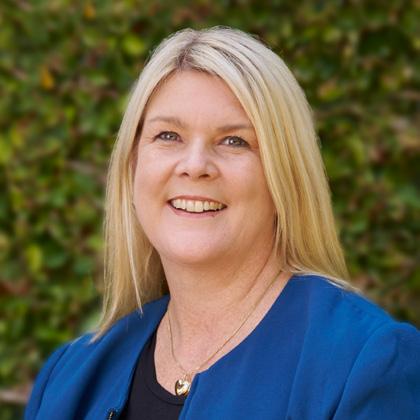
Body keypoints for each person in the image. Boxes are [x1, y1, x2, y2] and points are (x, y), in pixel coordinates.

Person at [25, 26, 420, 420]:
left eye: (234, 141)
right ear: (132, 166)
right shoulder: (69, 378)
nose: (195, 165)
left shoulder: (364, 363)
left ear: (286, 176)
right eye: (168, 135)